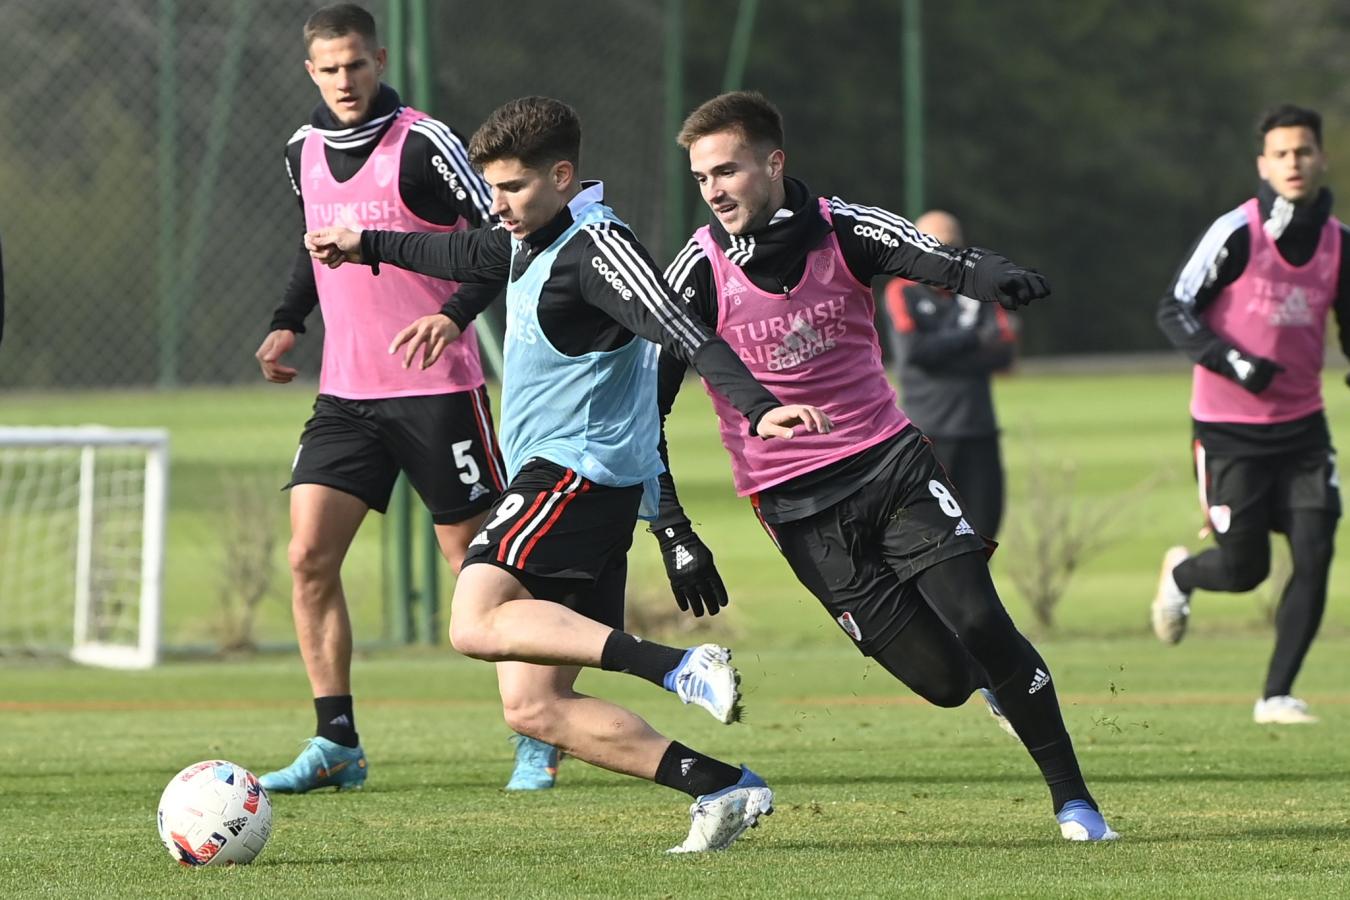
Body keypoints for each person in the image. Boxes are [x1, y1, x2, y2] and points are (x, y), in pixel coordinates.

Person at [305, 95, 832, 852]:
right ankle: (723, 787)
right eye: (492, 189)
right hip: (572, 485)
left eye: (513, 188)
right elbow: (457, 254)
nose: (499, 206)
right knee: (534, 707)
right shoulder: (525, 236)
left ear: (562, 176)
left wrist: (758, 408)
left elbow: (684, 328)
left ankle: (680, 665)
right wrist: (363, 243)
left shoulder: (599, 251)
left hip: (574, 477)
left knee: (471, 620)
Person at [653, 90, 1118, 841]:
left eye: (728, 170)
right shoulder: (697, 271)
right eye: (702, 177)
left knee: (980, 617)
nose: (713, 190)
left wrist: (991, 276)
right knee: (942, 682)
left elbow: (934, 257)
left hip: (890, 462)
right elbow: (647, 408)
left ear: (774, 163)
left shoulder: (844, 228)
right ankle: (996, 686)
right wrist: (672, 525)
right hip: (796, 510)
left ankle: (1076, 804)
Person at [255, 4, 561, 795]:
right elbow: (312, 242)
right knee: (307, 556)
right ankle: (337, 743)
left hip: (439, 392)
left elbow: (499, 245)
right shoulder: (302, 150)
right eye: (329, 69)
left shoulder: (424, 144)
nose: (345, 81)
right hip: (346, 396)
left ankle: (537, 729)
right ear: (310, 72)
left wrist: (450, 314)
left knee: (477, 566)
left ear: (380, 58)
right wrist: (288, 323)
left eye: (357, 64)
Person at [1154, 103, 1349, 725]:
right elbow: (1173, 309)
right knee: (1244, 571)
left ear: (1321, 157)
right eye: (1282, 153)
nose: (1294, 162)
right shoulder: (1236, 232)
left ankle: (1276, 695)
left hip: (1303, 430)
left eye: (1305, 151)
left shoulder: (1340, 243)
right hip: (1228, 432)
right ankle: (1183, 574)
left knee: (1315, 552)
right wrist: (1234, 361)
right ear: (1264, 163)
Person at [883, 210, 1015, 539]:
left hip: (979, 431)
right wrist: (971, 339)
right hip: (929, 435)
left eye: (951, 246)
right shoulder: (903, 292)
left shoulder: (978, 289)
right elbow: (913, 353)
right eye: (933, 247)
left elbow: (1003, 351)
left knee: (985, 532)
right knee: (934, 537)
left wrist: (940, 351)